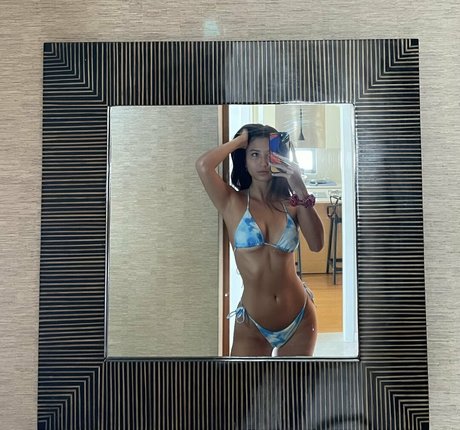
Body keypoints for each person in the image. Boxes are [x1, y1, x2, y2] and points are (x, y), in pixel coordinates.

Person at [195, 124, 324, 356]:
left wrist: (300, 187)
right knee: (243, 381)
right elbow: (203, 166)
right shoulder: (231, 202)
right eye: (254, 154)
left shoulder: (292, 204)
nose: (263, 162)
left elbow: (317, 245)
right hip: (252, 324)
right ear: (244, 160)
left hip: (300, 318)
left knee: (296, 382)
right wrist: (239, 141)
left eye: (270, 154)